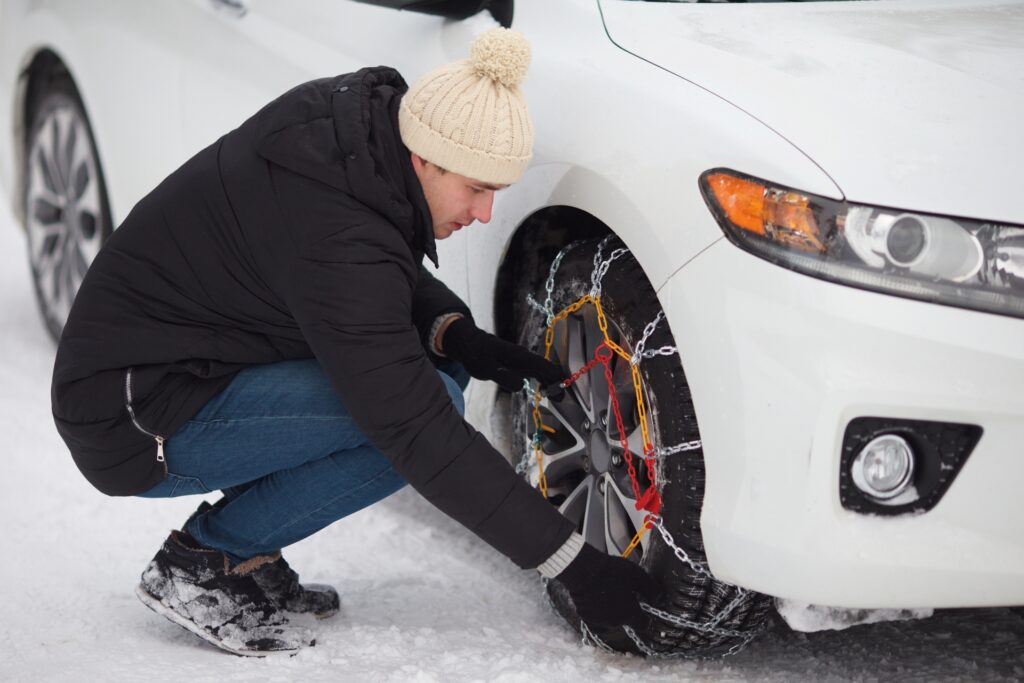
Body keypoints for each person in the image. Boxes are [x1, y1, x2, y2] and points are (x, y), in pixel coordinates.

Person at [51, 28, 658, 655]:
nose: (483, 213)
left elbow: (363, 264)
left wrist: (452, 332)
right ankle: (206, 563)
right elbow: (411, 420)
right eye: (476, 189)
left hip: (175, 369)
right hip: (132, 415)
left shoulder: (353, 140)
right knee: (415, 417)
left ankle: (246, 554)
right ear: (425, 158)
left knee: (427, 383)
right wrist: (571, 564)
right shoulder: (337, 229)